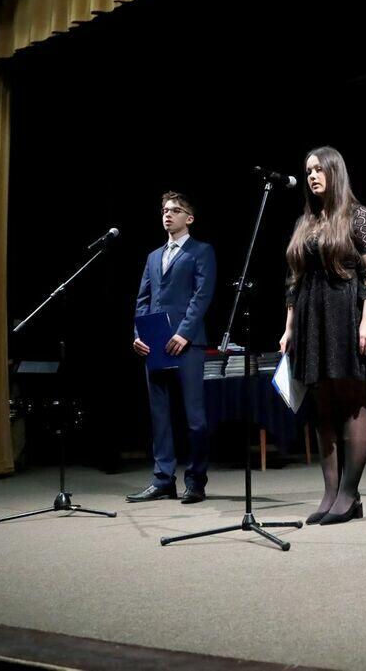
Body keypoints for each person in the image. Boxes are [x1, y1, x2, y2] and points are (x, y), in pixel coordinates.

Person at [281, 146, 366, 526]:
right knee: (322, 405)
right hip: (312, 317)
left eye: (319, 169)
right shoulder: (305, 222)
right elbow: (293, 278)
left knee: (351, 400)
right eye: (308, 170)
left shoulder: (357, 215)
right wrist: (289, 327)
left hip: (346, 313)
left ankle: (349, 494)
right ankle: (330, 494)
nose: (312, 176)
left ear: (334, 172)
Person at [129, 191, 217, 504]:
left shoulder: (201, 251)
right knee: (160, 417)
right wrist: (139, 334)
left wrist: (184, 333)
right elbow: (143, 299)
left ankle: (196, 481)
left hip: (187, 344)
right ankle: (163, 480)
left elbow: (201, 296)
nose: (168, 214)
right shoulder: (153, 256)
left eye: (175, 210)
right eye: (165, 210)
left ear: (189, 218)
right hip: (155, 345)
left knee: (194, 417)